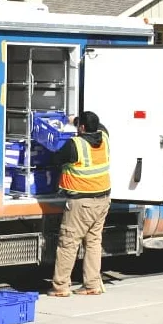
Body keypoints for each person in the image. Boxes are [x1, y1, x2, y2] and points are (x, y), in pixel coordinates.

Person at [47, 111, 111, 297]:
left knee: (68, 243)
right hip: (103, 200)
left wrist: (70, 121)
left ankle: (61, 286)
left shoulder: (75, 145)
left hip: (81, 203)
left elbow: (55, 159)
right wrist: (74, 119)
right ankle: (92, 284)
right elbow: (98, 126)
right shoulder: (104, 137)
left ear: (81, 127)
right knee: (93, 242)